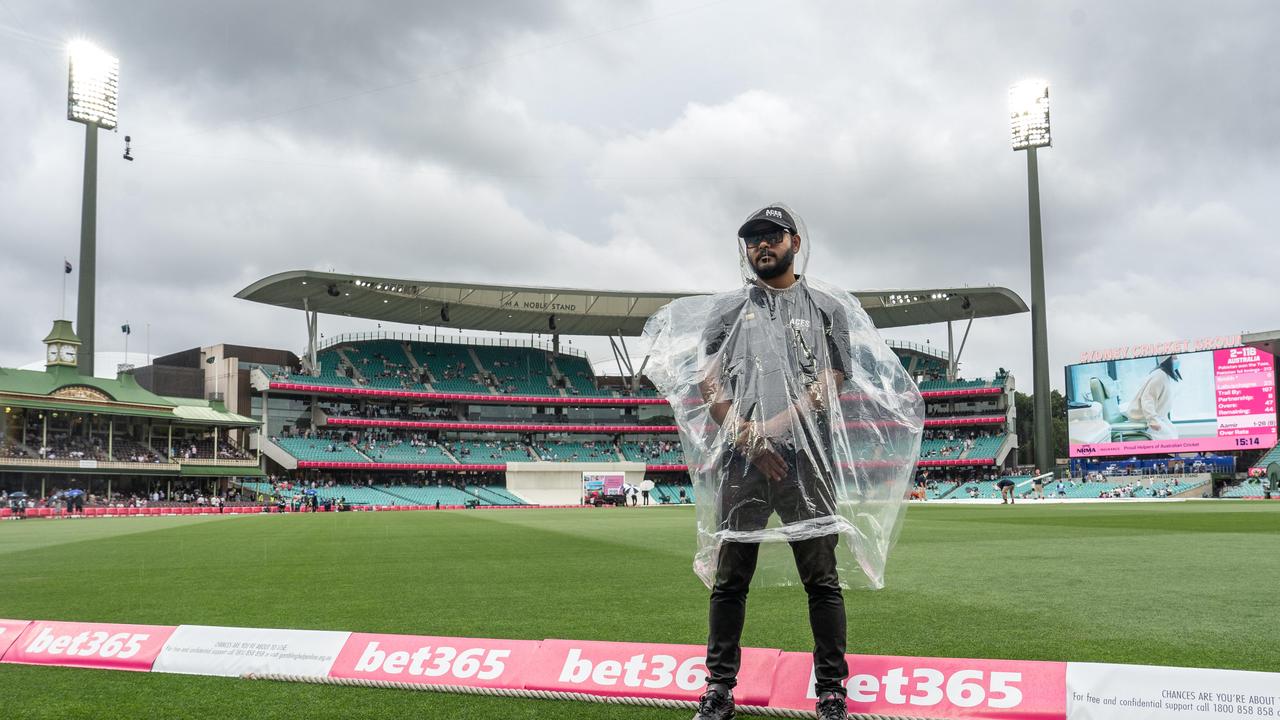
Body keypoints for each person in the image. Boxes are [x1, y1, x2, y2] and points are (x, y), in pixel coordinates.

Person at [650, 204, 923, 720]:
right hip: (741, 461)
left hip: (807, 460)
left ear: (795, 241)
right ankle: (718, 690)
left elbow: (833, 380)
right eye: (752, 239)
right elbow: (710, 381)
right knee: (731, 578)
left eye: (771, 236)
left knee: (820, 579)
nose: (761, 246)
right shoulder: (727, 311)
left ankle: (832, 692)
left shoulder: (825, 308)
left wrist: (770, 430)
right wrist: (744, 437)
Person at [1124, 355, 1182, 440]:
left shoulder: (1164, 375)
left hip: (1157, 416)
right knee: (1169, 438)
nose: (1177, 361)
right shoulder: (1159, 376)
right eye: (1174, 358)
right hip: (1145, 418)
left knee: (1173, 433)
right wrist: (1152, 420)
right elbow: (1147, 400)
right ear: (1166, 361)